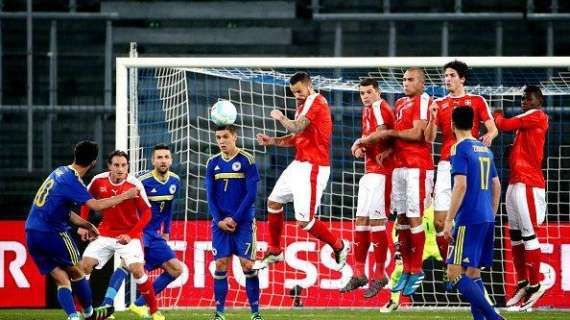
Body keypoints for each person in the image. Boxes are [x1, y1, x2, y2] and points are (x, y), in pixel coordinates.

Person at [25, 140, 136, 320]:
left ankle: (73, 317)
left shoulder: (59, 171)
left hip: (31, 233)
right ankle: (89, 313)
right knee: (77, 272)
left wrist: (87, 224)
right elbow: (97, 204)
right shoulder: (73, 181)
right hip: (52, 233)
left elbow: (63, 210)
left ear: (75, 154)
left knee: (61, 279)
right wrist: (125, 196)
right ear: (94, 162)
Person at [254, 71, 349, 270]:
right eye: (294, 92)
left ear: (309, 85)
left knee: (305, 221)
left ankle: (339, 246)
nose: (297, 95)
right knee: (273, 202)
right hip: (299, 164)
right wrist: (272, 141)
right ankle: (274, 250)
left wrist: (280, 117)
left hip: (313, 167)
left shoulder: (317, 101)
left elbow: (297, 127)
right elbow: (297, 138)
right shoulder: (302, 106)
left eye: (299, 91)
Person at [425, 60, 498, 264]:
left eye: (452, 75)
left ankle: (465, 265)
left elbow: (493, 129)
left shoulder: (476, 101)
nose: (447, 79)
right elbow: (429, 139)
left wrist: (489, 136)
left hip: (469, 162)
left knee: (467, 216)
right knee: (440, 222)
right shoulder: (438, 104)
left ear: (462, 78)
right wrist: (432, 119)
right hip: (446, 163)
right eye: (445, 76)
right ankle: (451, 264)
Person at [78, 150, 164, 320]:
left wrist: (131, 234)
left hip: (128, 235)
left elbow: (147, 213)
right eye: (116, 165)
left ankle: (155, 312)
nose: (120, 169)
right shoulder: (98, 181)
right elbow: (86, 201)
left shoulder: (134, 185)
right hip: (105, 234)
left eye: (123, 165)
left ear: (127, 167)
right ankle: (79, 313)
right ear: (109, 166)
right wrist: (83, 225)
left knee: (138, 271)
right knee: (83, 267)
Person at [103, 144, 183, 318]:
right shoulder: (141, 180)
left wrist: (166, 231)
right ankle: (106, 306)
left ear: (171, 160)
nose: (163, 161)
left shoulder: (175, 181)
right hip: (138, 231)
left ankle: (139, 304)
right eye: (159, 157)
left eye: (166, 157)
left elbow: (168, 207)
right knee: (126, 265)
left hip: (155, 234)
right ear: (153, 160)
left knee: (176, 269)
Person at [378, 67, 434, 296]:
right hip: (400, 167)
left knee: (414, 217)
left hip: (417, 167)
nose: (405, 83)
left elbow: (418, 134)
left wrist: (390, 135)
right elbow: (401, 132)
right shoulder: (400, 103)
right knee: (400, 218)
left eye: (410, 79)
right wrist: (389, 150)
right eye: (403, 79)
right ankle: (406, 269)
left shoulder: (424, 100)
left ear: (421, 83)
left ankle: (416, 269)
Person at [444, 106, 503, 320]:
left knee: (454, 274)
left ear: (451, 124)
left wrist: (449, 220)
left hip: (468, 218)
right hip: (486, 217)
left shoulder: (459, 148)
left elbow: (460, 185)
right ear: (474, 125)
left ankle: (495, 318)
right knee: (473, 273)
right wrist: (491, 213)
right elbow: (496, 185)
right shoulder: (485, 149)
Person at [494, 85, 549, 310]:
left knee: (528, 234)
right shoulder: (526, 123)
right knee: (515, 234)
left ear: (539, 101)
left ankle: (537, 285)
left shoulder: (536, 116)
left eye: (528, 98)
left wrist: (496, 111)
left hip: (529, 182)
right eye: (522, 98)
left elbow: (503, 124)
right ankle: (523, 282)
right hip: (516, 181)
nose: (523, 101)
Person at [340, 78, 395, 298]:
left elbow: (382, 134)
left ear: (378, 92)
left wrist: (359, 142)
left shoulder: (380, 107)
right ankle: (359, 272)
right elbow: (375, 139)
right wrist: (361, 147)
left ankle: (380, 273)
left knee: (377, 222)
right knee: (361, 221)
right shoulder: (367, 110)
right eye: (362, 93)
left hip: (384, 173)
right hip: (370, 172)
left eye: (369, 92)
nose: (365, 96)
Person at [206, 125, 264, 320]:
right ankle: (219, 314)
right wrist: (219, 220)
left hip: (244, 222)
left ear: (235, 137)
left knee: (247, 265)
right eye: (218, 137)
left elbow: (251, 194)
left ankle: (255, 313)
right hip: (220, 223)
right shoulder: (212, 162)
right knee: (221, 264)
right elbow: (210, 196)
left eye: (225, 137)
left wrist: (235, 218)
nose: (221, 141)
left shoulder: (247, 160)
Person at [380, 206, 442, 313]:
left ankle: (477, 296)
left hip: (437, 244)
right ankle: (393, 302)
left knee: (462, 266)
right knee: (399, 271)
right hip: (419, 246)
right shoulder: (410, 206)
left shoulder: (437, 205)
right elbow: (397, 228)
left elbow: (450, 223)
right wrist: (398, 248)